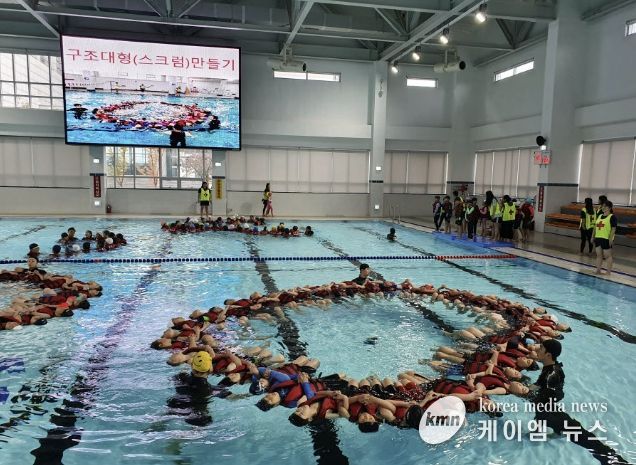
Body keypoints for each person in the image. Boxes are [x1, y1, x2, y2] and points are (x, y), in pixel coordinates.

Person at [528, 339, 565, 433]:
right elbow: (540, 383)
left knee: (549, 420)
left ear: (548, 355)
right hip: (548, 401)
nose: (537, 350)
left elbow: (552, 393)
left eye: (541, 348)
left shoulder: (551, 374)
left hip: (547, 402)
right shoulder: (550, 367)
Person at [592, 201, 617, 275]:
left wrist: (610, 239)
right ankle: (598, 270)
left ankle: (608, 272)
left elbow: (613, 229)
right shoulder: (599, 216)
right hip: (598, 238)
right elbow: (595, 227)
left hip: (606, 239)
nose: (603, 208)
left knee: (608, 256)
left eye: (605, 206)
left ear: (609, 208)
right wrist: (592, 236)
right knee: (599, 255)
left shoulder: (612, 217)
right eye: (602, 206)